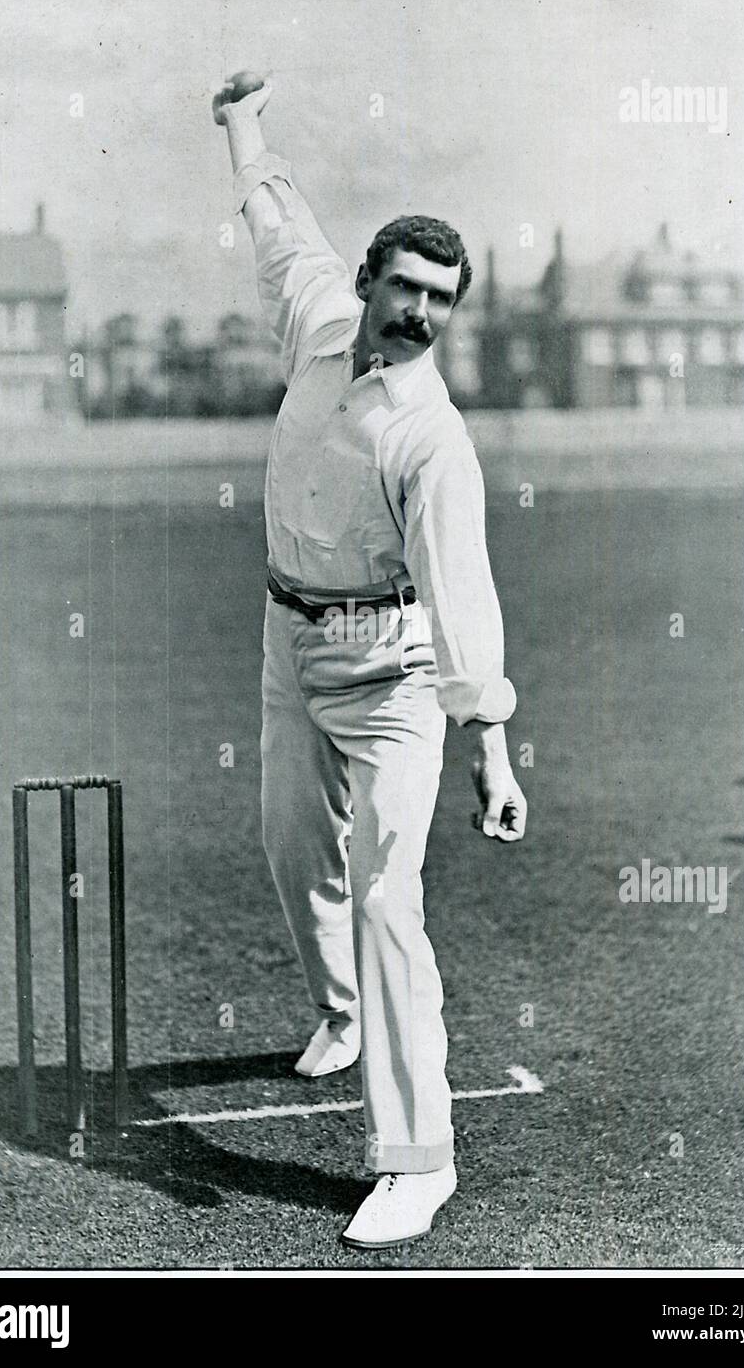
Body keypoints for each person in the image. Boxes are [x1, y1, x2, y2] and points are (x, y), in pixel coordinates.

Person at [213, 72, 527, 1250]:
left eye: (442, 299)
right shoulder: (318, 319)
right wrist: (241, 123)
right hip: (287, 640)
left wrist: (490, 749)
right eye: (406, 287)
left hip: (392, 671)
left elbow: (464, 596)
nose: (422, 314)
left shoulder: (431, 437)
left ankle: (417, 1159)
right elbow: (277, 227)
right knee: (295, 851)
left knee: (390, 895)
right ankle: (339, 1017)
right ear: (367, 284)